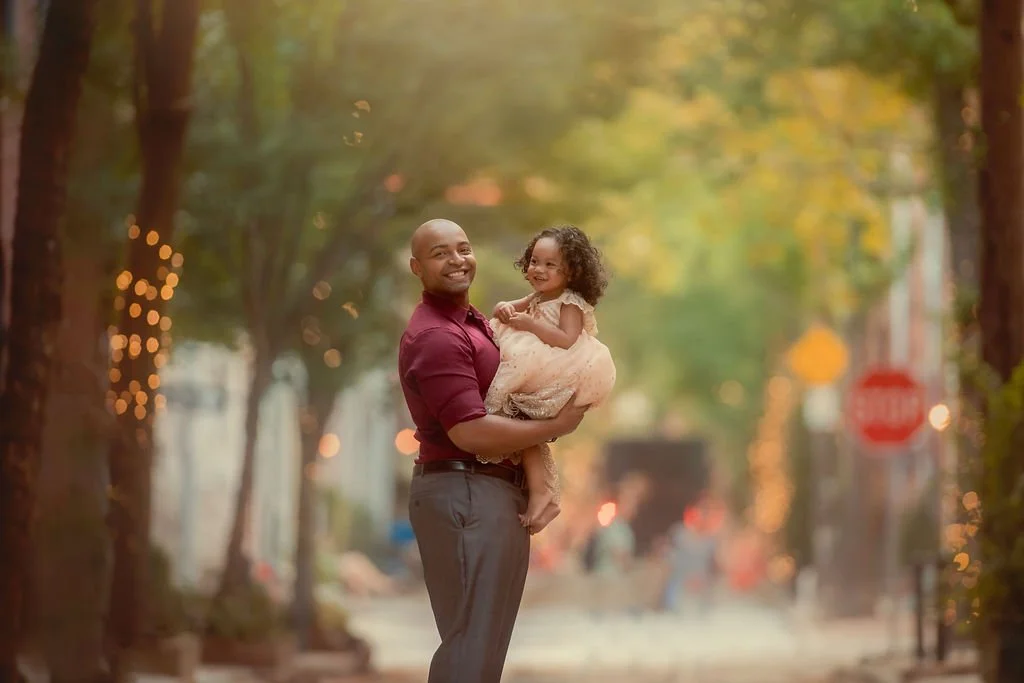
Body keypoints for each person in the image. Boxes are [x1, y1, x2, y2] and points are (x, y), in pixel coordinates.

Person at [399, 219, 589, 683]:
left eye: (463, 248)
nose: (457, 260)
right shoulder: (438, 337)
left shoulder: (473, 323)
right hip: (465, 491)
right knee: (470, 648)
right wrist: (556, 424)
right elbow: (470, 431)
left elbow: (509, 398)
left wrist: (539, 476)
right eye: (440, 253)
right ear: (416, 267)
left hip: (488, 494)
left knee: (481, 648)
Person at [484, 225, 616, 533]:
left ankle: (542, 495)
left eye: (550, 264)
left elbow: (567, 339)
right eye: (534, 262)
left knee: (524, 427)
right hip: (532, 360)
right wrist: (504, 308)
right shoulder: (536, 296)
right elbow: (505, 310)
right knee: (525, 431)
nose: (539, 270)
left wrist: (530, 326)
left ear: (570, 272)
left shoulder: (569, 302)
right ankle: (543, 496)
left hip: (555, 365)